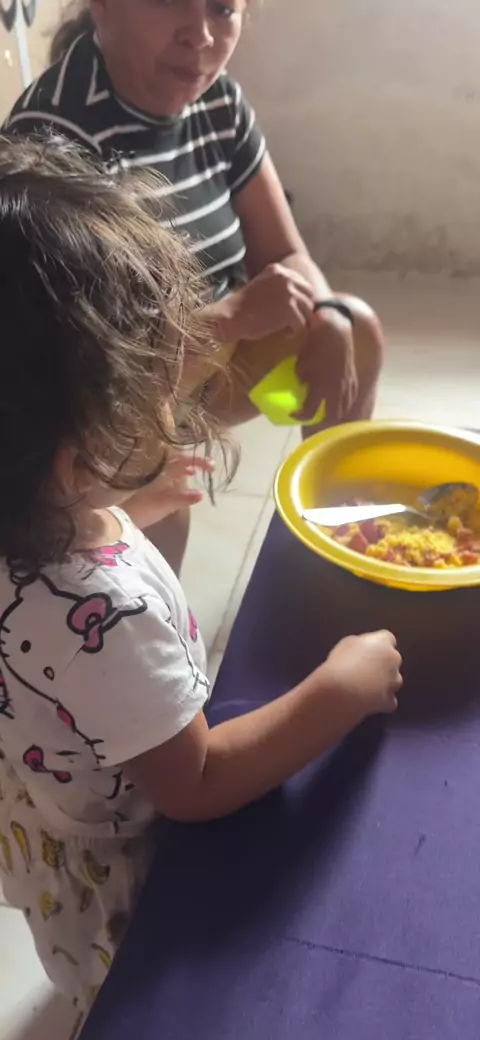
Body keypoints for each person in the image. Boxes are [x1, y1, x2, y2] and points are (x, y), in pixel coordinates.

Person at [0, 135, 402, 1034]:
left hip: (52, 810)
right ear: (73, 443)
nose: (173, 399)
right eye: (150, 383)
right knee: (151, 1005)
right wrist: (340, 689)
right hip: (128, 870)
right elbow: (197, 780)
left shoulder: (31, 512)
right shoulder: (110, 615)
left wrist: (122, 505)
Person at [4, 0, 385, 573]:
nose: (201, 35)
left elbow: (285, 253)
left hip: (208, 367)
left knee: (353, 332)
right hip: (101, 404)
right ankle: (139, 620)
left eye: (222, 9)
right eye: (170, 2)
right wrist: (227, 319)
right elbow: (72, 377)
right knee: (158, 490)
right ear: (103, 7)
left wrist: (326, 311)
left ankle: (338, 542)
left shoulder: (218, 101)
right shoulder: (54, 140)